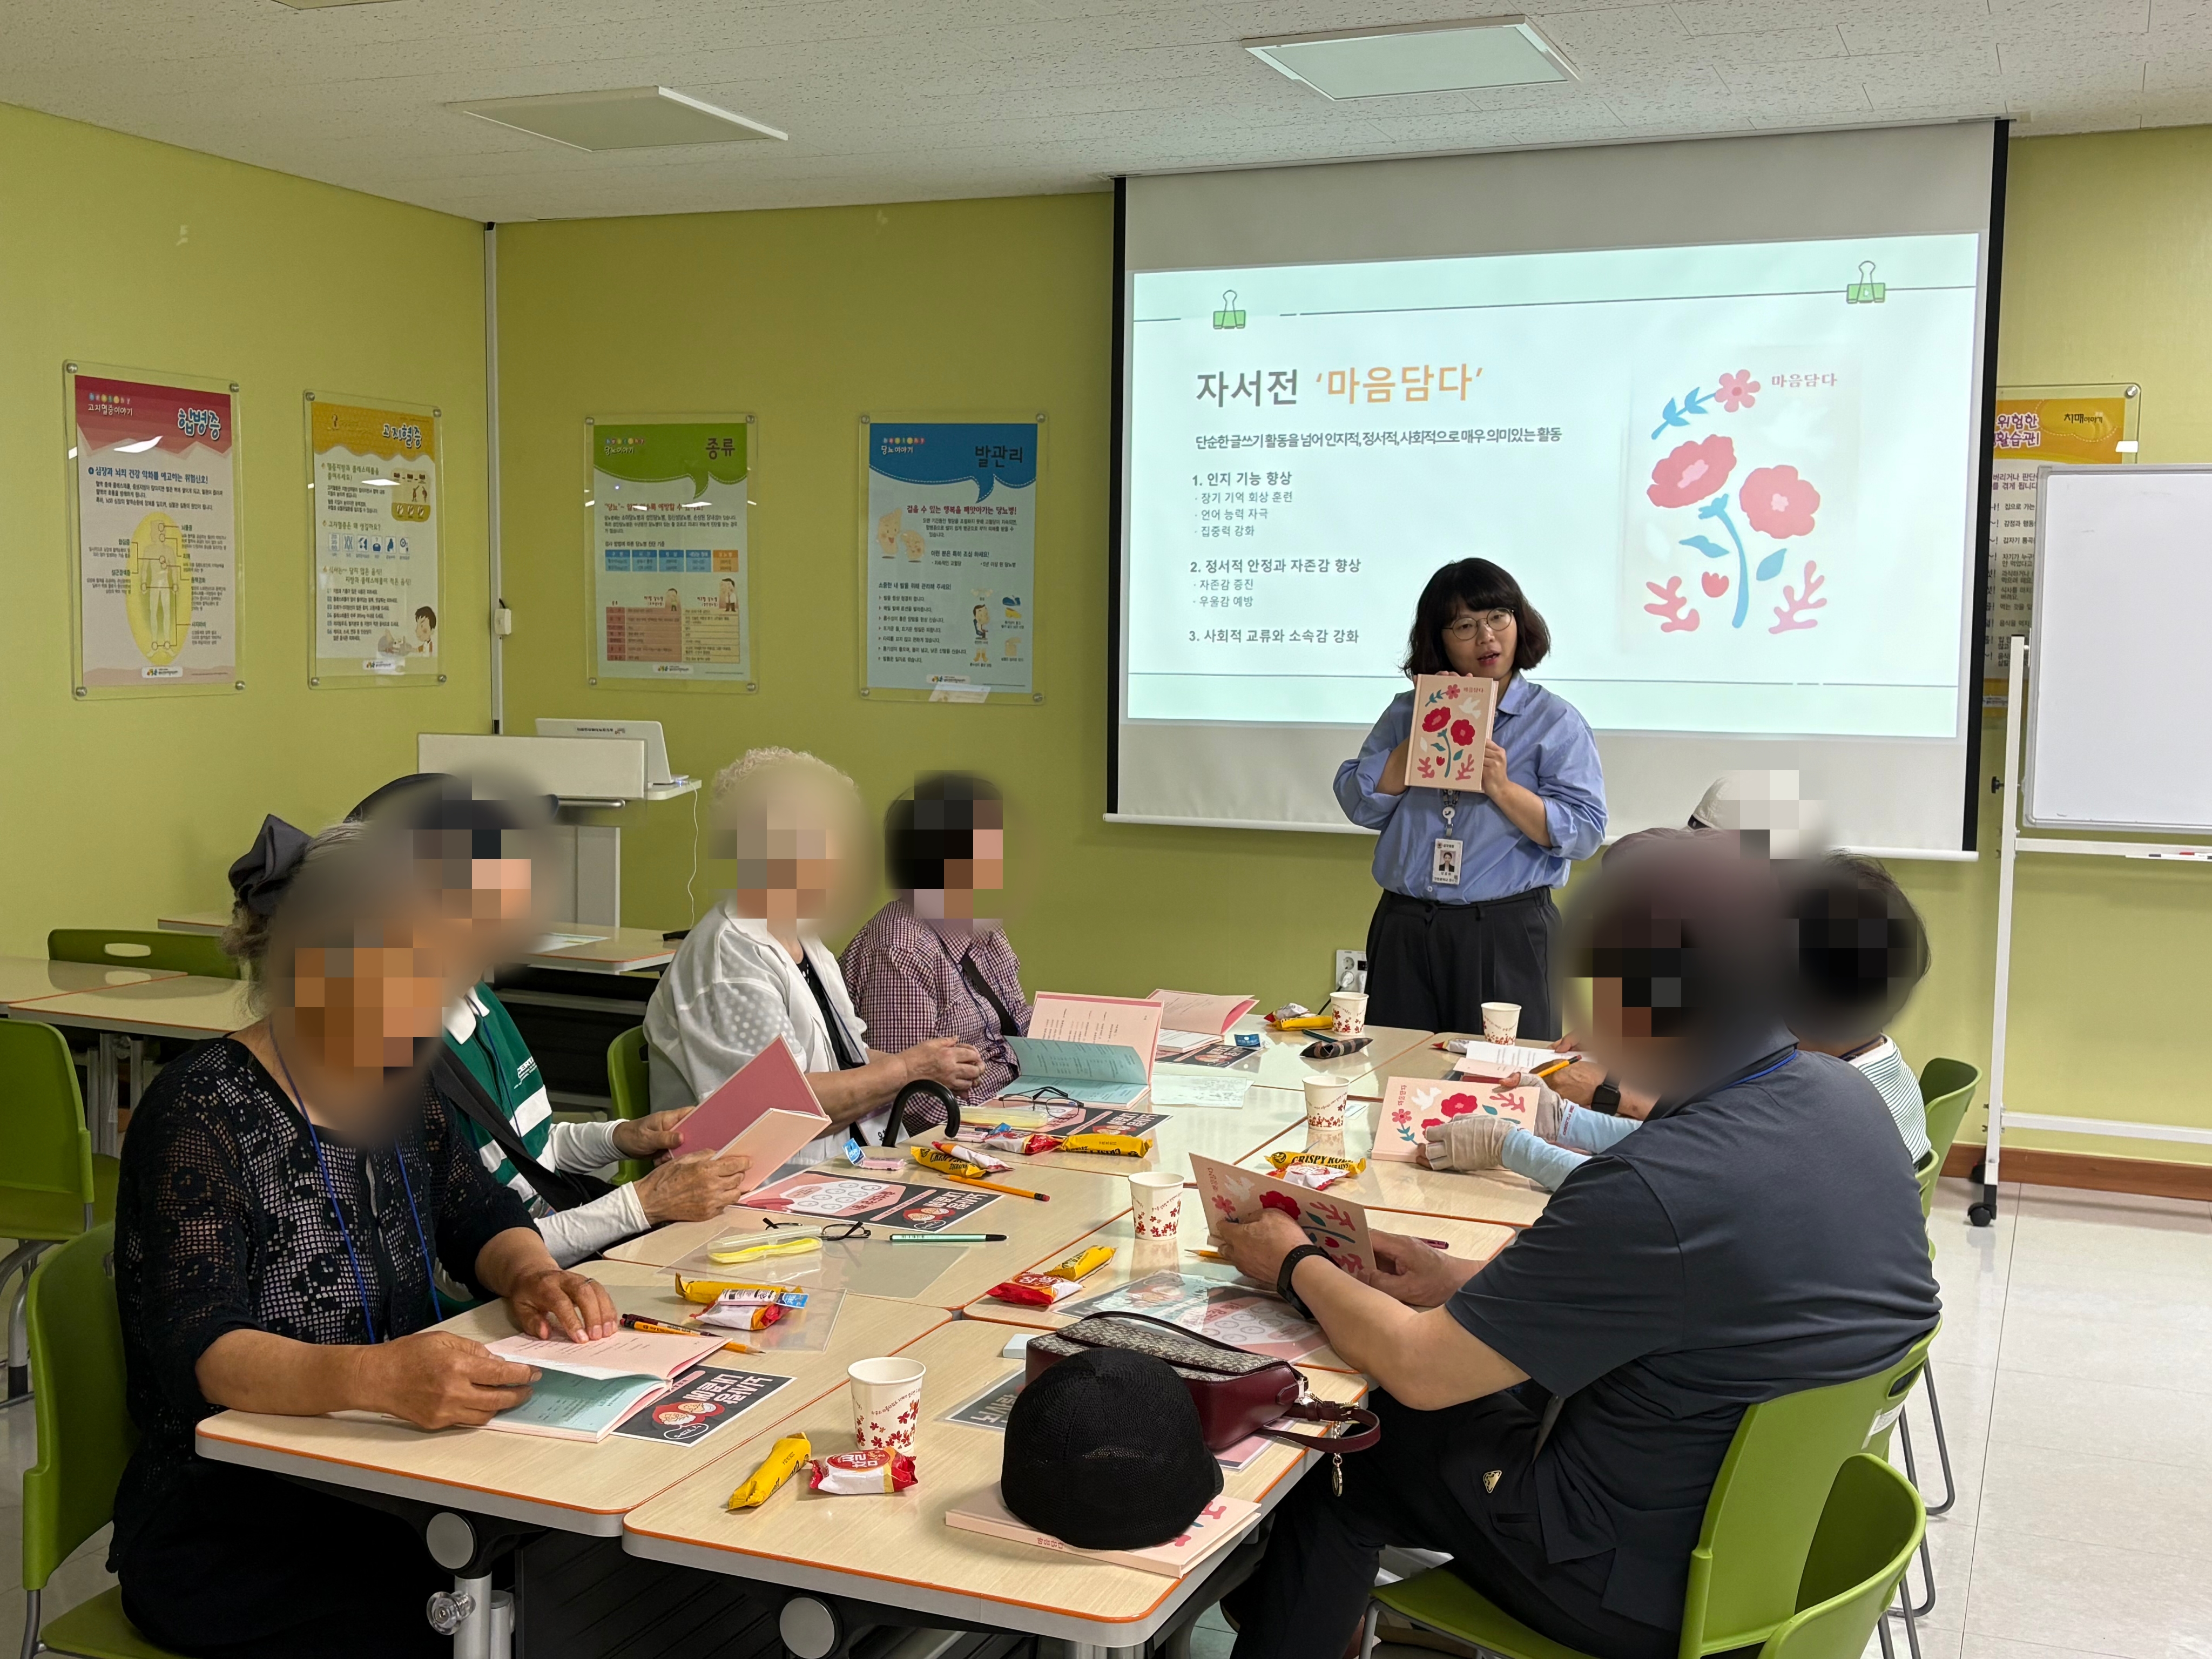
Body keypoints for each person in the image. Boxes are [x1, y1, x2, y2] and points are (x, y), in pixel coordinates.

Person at [1212, 833, 1939, 1659]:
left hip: (1635, 1581)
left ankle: (1278, 1619)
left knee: (1358, 1444)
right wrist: (1451, 1280)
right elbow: (1666, 1290)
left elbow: (1420, 1370)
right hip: (1777, 1541)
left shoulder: (1656, 1185)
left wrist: (1292, 1264)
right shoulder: (1841, 1096)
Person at [112, 815, 618, 1658]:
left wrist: (530, 1273)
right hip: (240, 1524)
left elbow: (478, 1215)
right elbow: (198, 1351)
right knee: (533, 1609)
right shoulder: (199, 1113)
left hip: (393, 1477)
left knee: (583, 1576)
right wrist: (376, 1376)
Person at [1435, 851, 1936, 1187]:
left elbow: (1648, 1193)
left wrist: (1512, 1147)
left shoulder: (1799, 1114)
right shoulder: (1872, 1068)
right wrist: (1567, 1120)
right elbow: (1691, 1149)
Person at [645, 747, 982, 1159]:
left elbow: (846, 1059)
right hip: (757, 1188)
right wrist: (908, 1070)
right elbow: (782, 1108)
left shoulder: (802, 938)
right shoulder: (730, 956)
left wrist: (928, 1065)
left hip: (842, 1165)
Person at [1334, 558, 1607, 1039]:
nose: (1487, 637)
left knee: (1501, 1082)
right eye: (1465, 625)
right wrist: (1416, 739)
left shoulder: (1554, 721)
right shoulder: (1405, 713)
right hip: (1405, 924)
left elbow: (1584, 833)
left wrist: (1502, 788)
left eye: (1499, 617)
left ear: (1520, 623)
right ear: (1437, 639)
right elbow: (1359, 802)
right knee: (1396, 1072)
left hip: (1505, 929)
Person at [840, 773, 1029, 1121]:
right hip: (962, 1127)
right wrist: (1012, 1119)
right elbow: (912, 1103)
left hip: (1016, 1098)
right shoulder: (901, 950)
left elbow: (1020, 1024)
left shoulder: (983, 924)